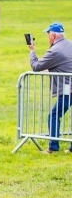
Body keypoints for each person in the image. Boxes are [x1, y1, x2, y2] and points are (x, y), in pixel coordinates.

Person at [28, 22, 72, 153]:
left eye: (48, 34)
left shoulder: (55, 50)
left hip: (67, 88)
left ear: (52, 35)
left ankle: (53, 147)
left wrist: (32, 51)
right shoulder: (70, 44)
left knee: (53, 115)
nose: (48, 37)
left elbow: (36, 66)